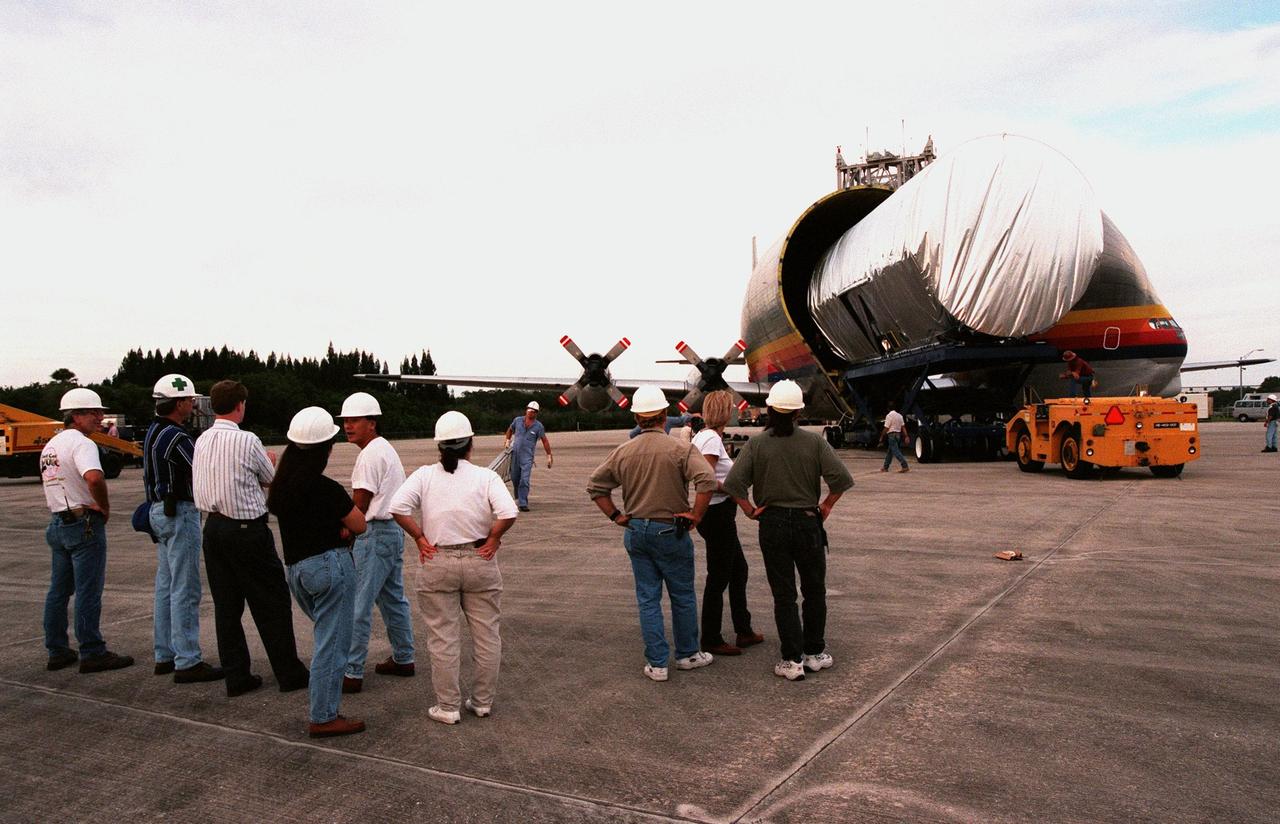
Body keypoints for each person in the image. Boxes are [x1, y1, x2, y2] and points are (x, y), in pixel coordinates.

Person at [390, 411, 517, 725]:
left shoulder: (424, 475)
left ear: (439, 446)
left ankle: (448, 707)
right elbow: (509, 511)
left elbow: (397, 507)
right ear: (470, 444)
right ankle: (483, 702)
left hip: (438, 561)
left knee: (443, 638)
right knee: (487, 635)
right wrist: (494, 538)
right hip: (480, 560)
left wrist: (419, 537)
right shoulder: (485, 477)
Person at [724, 379, 854, 682]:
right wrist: (826, 506)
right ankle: (815, 652)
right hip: (808, 522)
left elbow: (733, 485)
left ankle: (791, 659)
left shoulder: (757, 444)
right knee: (814, 590)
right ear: (798, 412)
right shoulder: (814, 442)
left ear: (769, 409)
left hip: (773, 525)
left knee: (784, 595)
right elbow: (841, 479)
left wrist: (749, 510)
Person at [588, 386, 717, 682]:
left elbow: (596, 487)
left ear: (637, 417)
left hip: (637, 530)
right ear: (663, 416)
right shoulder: (680, 448)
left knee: (648, 598)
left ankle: (657, 663)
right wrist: (696, 515)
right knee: (682, 594)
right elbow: (706, 479)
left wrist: (617, 516)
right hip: (671, 529)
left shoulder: (623, 451)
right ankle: (687, 655)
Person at [193, 380, 310, 698]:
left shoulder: (201, 441)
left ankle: (236, 675)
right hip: (246, 530)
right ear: (240, 405)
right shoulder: (247, 441)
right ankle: (289, 672)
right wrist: (269, 462)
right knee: (271, 601)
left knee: (226, 606)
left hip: (213, 528)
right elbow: (272, 480)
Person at [268, 407, 368, 738]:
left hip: (297, 570)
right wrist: (343, 529)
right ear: (326, 446)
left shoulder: (281, 486)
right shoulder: (325, 488)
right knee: (332, 644)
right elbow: (359, 524)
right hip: (329, 568)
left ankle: (323, 710)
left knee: (326, 637)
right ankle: (323, 716)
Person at [39, 388, 134, 674]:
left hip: (58, 522)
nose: (100, 418)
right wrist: (103, 506)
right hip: (83, 523)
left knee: (58, 591)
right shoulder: (83, 444)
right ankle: (92, 651)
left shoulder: (51, 445)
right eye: (94, 413)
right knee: (88, 591)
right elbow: (93, 477)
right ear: (76, 416)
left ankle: (57, 649)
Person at [144, 373, 224, 683]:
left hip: (158, 510)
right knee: (186, 588)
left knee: (165, 586)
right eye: (190, 400)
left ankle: (165, 653)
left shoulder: (153, 431)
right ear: (178, 403)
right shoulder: (177, 438)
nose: (193, 405)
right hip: (179, 513)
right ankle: (188, 659)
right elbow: (202, 470)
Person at [337, 392, 415, 694]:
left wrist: (346, 530)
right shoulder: (384, 449)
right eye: (345, 421)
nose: (348, 426)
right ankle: (404, 657)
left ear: (372, 423)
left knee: (358, 603)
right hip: (392, 531)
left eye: (355, 420)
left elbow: (361, 502)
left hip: (374, 534)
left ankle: (352, 671)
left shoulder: (369, 455)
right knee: (393, 598)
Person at [692, 391, 763, 657]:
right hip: (717, 514)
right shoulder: (711, 438)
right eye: (732, 408)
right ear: (725, 412)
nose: (735, 410)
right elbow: (706, 480)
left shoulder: (703, 436)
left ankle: (744, 630)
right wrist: (738, 494)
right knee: (719, 577)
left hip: (718, 513)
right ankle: (711, 637)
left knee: (738, 570)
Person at [504, 401, 552, 512]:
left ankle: (523, 503)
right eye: (530, 410)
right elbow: (510, 430)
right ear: (526, 410)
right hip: (515, 454)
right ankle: (518, 497)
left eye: (534, 411)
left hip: (527, 457)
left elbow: (545, 441)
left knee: (524, 480)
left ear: (537, 413)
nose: (532, 413)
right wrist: (507, 440)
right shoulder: (517, 420)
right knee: (515, 478)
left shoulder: (538, 426)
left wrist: (549, 456)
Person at [877, 400, 911, 473]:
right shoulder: (900, 416)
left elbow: (886, 428)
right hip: (898, 435)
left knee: (896, 451)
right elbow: (903, 427)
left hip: (892, 435)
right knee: (890, 452)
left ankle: (905, 466)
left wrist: (881, 436)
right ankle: (885, 467)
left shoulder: (889, 416)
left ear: (888, 408)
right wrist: (906, 436)